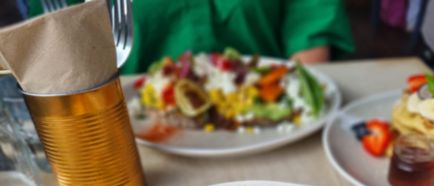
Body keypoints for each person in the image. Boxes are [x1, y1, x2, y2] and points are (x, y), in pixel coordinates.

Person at [27, 0, 355, 74]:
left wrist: (293, 99)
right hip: (136, 135)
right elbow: (57, 56)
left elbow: (311, 25)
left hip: (271, 120)